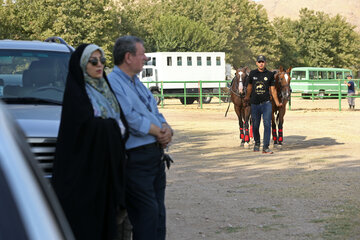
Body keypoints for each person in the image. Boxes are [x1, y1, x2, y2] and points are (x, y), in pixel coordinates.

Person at [52, 44, 129, 240]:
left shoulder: (106, 90)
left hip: (107, 173)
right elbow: (83, 129)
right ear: (82, 65)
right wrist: (112, 127)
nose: (99, 65)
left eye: (102, 60)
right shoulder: (77, 94)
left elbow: (122, 125)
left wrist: (110, 127)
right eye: (93, 61)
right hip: (84, 177)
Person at [108, 36, 173, 240]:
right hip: (136, 161)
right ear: (128, 57)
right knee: (147, 216)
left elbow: (155, 110)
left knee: (158, 217)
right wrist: (158, 132)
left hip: (155, 157)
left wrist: (166, 128)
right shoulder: (113, 83)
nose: (145, 58)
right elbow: (130, 119)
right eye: (142, 54)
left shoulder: (137, 83)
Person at [245, 55, 282, 154]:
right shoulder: (252, 73)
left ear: (265, 63)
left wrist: (277, 102)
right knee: (255, 125)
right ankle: (257, 143)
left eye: (263, 62)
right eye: (259, 62)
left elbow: (273, 90)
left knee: (267, 124)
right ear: (256, 63)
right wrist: (247, 97)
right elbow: (249, 87)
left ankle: (266, 147)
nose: (261, 63)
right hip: (255, 104)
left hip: (266, 104)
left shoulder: (269, 74)